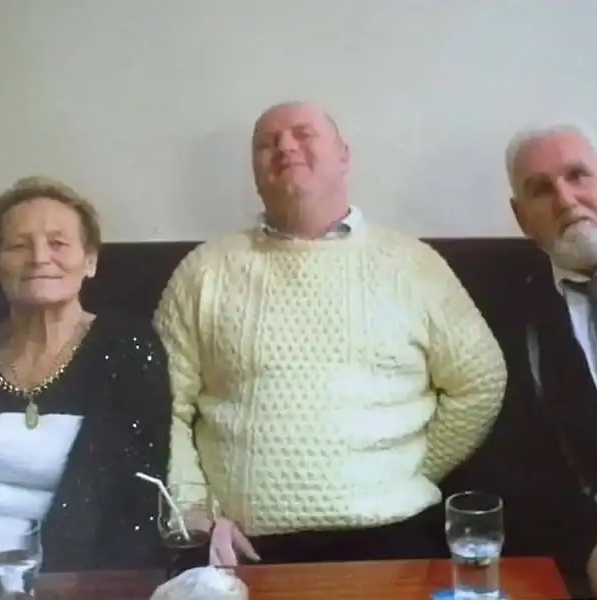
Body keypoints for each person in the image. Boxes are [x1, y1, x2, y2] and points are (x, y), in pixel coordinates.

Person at [154, 101, 507, 570]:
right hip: (240, 547)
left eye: (303, 133)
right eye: (266, 143)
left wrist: (414, 470)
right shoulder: (203, 271)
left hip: (396, 536)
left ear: (344, 155)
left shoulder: (413, 265)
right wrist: (193, 513)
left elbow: (480, 379)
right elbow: (161, 405)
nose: (284, 146)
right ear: (255, 173)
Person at [0, 175, 171, 573]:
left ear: (89, 261)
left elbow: (131, 501)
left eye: (58, 243)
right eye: (19, 245)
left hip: (78, 577)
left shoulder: (127, 348)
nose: (39, 258)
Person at [505, 122, 597, 596]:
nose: (566, 200)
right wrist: (588, 547)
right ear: (521, 217)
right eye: (541, 190)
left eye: (578, 175)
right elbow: (511, 463)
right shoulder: (502, 310)